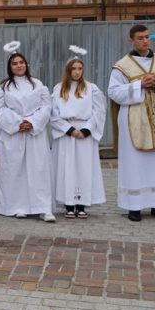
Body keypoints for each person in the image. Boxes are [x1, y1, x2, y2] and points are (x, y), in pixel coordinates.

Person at [108, 24, 155, 222]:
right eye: (140, 38)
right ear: (131, 40)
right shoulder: (122, 66)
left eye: (147, 37)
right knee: (134, 163)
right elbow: (113, 92)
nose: (145, 41)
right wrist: (139, 85)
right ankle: (134, 206)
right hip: (133, 120)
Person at [0, 45, 55, 222]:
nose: (19, 66)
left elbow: (46, 106)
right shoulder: (3, 87)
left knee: (38, 170)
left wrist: (32, 122)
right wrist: (17, 123)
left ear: (26, 64)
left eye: (21, 62)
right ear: (10, 67)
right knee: (14, 171)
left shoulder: (37, 84)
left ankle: (43, 207)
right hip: (13, 134)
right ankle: (18, 206)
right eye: (15, 63)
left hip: (34, 134)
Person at [49, 50, 106, 219]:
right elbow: (53, 114)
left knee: (83, 168)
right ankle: (68, 204)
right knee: (66, 168)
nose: (77, 72)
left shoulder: (91, 88)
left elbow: (99, 111)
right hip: (66, 134)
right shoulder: (59, 89)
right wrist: (69, 129)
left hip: (84, 134)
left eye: (80, 68)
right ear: (68, 70)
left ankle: (81, 204)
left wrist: (87, 129)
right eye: (73, 68)